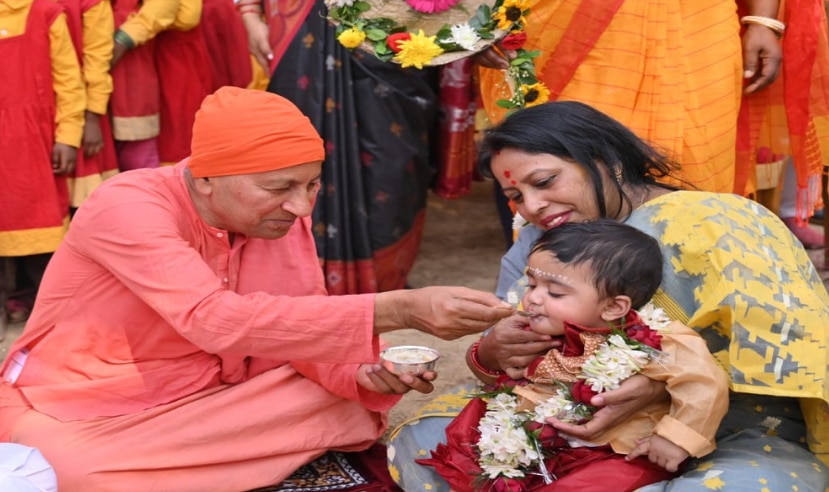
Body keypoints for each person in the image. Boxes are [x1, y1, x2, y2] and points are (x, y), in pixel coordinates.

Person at [0, 87, 514, 492]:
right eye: (279, 189)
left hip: (224, 394)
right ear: (205, 179)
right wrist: (399, 308)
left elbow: (299, 318)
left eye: (311, 184)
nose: (301, 208)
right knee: (68, 466)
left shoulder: (279, 218)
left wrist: (363, 372)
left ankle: (176, 462)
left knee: (351, 402)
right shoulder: (127, 206)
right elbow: (212, 319)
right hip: (99, 398)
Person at [387, 101, 829, 491]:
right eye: (515, 195)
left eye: (545, 181)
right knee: (422, 445)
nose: (533, 205)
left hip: (734, 428)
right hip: (569, 427)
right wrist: (488, 352)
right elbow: (521, 365)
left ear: (606, 160)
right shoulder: (537, 241)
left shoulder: (721, 221)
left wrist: (663, 386)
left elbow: (796, 356)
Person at [419, 220, 729, 491]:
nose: (534, 298)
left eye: (555, 292)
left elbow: (703, 382)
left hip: (617, 450)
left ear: (613, 307)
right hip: (538, 442)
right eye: (532, 284)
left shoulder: (659, 339)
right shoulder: (537, 331)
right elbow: (501, 376)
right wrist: (499, 362)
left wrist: (675, 439)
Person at [0, 0, 85, 338]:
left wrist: (68, 135)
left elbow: (68, 80)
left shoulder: (45, 12)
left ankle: (52, 313)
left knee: (41, 227)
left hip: (31, 140)